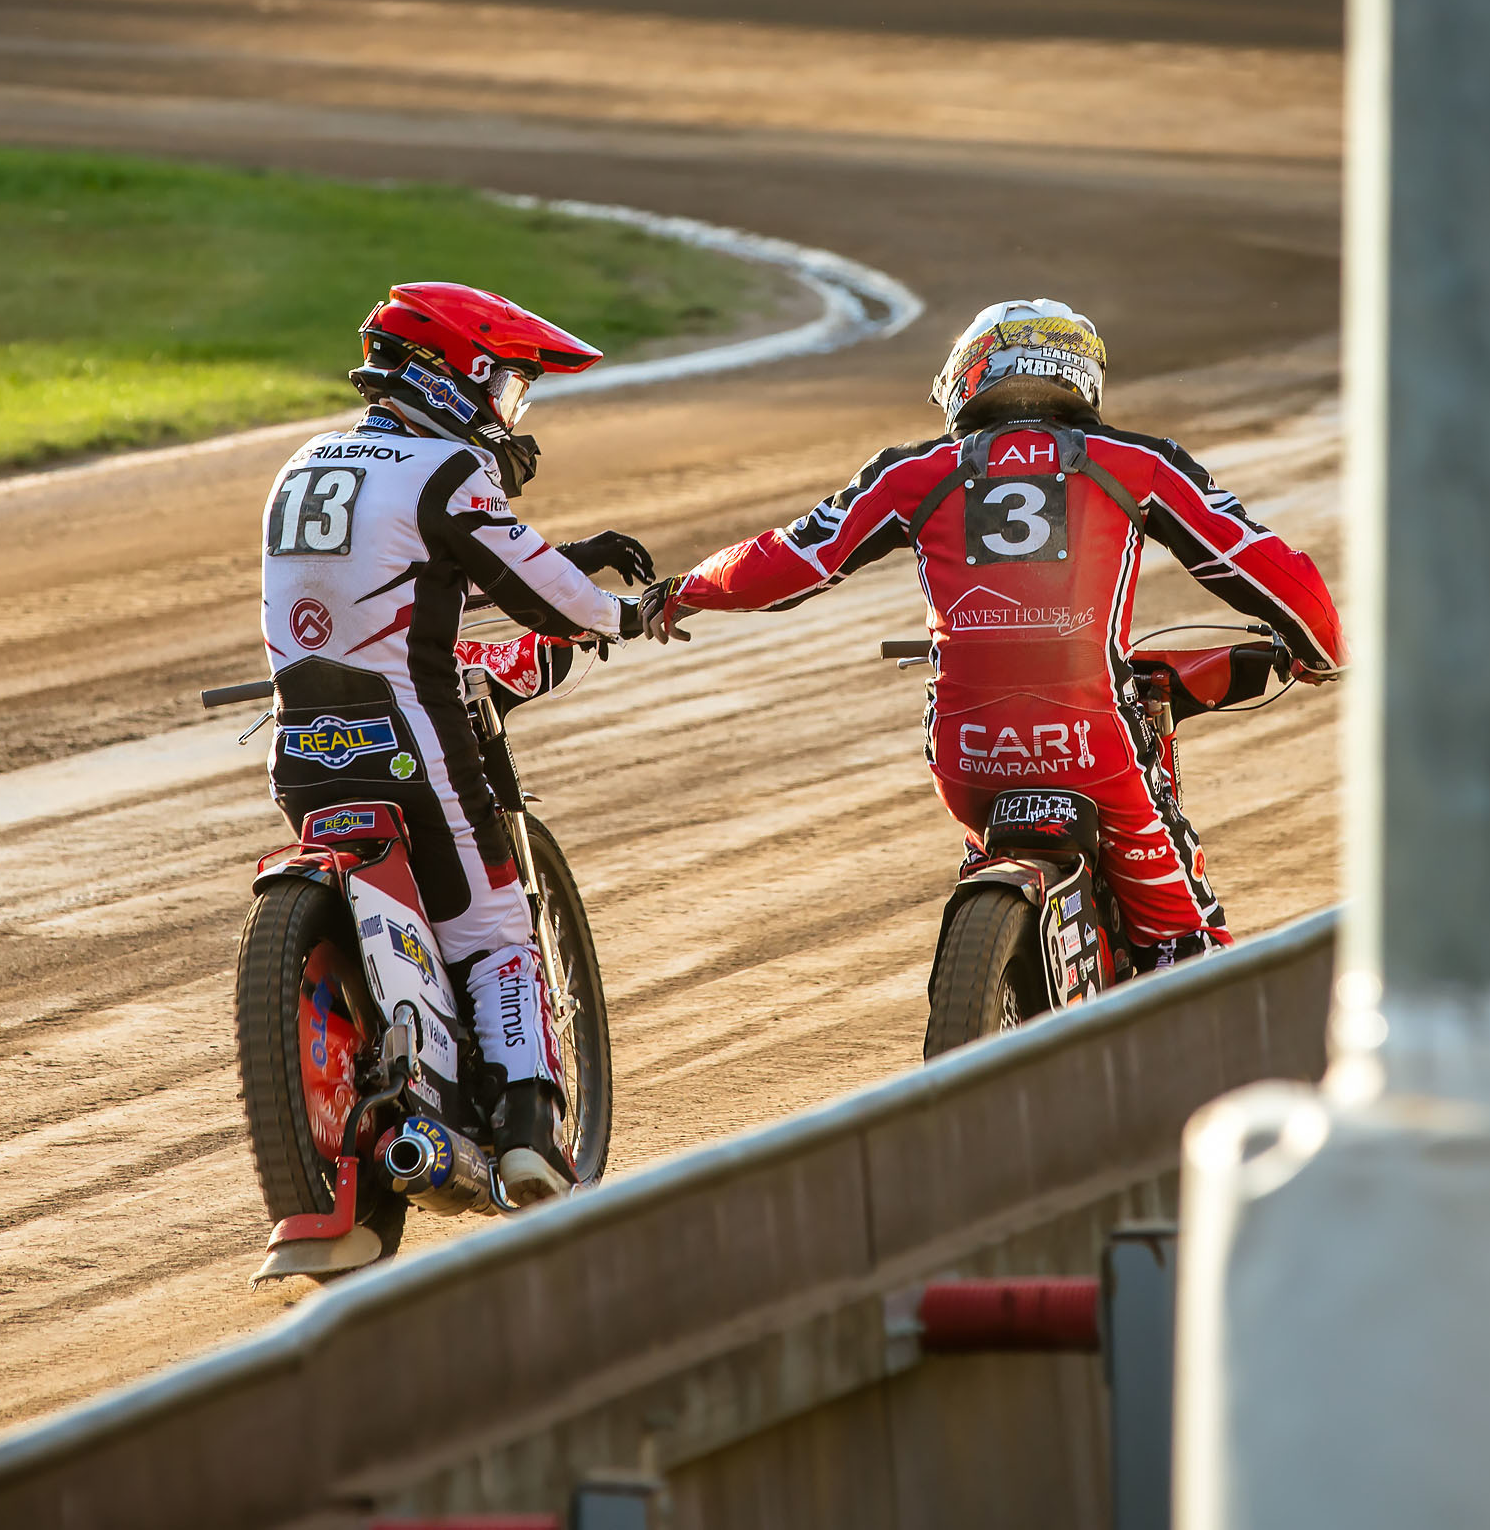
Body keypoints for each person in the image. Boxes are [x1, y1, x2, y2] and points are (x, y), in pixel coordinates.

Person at [636, 298, 1346, 971]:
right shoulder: (1141, 462)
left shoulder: (911, 472)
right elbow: (1261, 564)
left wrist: (685, 589)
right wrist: (1324, 651)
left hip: (967, 755)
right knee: (1188, 943)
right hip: (1092, 742)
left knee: (981, 835)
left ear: (971, 375)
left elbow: (791, 560)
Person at [261, 281, 654, 1207]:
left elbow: (409, 576)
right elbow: (542, 597)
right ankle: (526, 1132)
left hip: (302, 747)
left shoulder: (305, 464)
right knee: (493, 924)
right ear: (456, 376)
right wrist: (624, 613)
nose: (511, 412)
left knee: (416, 900)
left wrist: (571, 551)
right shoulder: (443, 469)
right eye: (509, 387)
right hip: (412, 741)